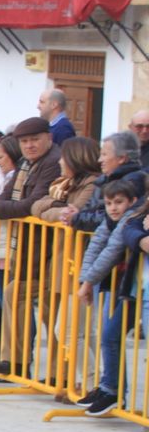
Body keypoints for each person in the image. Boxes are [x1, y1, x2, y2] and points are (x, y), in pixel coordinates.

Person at [0, 117, 62, 378]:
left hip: (50, 250)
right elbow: (8, 193)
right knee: (14, 293)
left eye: (35, 139)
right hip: (27, 250)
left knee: (52, 311)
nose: (30, 145)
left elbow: (31, 203)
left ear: (49, 138)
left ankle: (58, 373)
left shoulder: (52, 162)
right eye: (25, 141)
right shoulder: (26, 163)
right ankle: (15, 360)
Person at [74, 178, 146, 417]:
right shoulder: (110, 220)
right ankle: (110, 387)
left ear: (132, 201)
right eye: (109, 203)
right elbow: (95, 247)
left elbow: (111, 251)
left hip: (133, 289)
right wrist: (85, 280)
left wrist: (87, 283)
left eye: (118, 202)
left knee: (110, 336)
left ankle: (112, 389)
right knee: (108, 336)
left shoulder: (131, 219)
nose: (113, 208)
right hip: (122, 287)